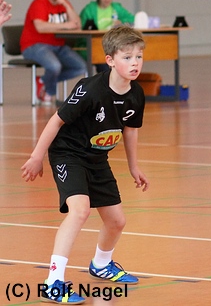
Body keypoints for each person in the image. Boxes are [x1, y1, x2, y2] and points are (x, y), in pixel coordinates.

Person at [20, 26, 150, 304]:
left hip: (97, 158)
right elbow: (56, 120)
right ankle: (53, 282)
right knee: (79, 211)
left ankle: (101, 264)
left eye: (139, 57)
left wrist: (134, 166)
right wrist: (36, 156)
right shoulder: (90, 89)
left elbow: (130, 130)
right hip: (68, 154)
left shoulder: (137, 93)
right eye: (127, 57)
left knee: (117, 221)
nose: (135, 63)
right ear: (110, 60)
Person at [21, 0, 87, 104]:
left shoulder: (63, 3)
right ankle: (49, 94)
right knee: (55, 66)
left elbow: (78, 25)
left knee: (81, 67)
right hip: (34, 45)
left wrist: (66, 5)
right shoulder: (39, 3)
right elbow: (40, 27)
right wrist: (66, 25)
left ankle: (43, 80)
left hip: (58, 46)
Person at [79, 0, 136, 73]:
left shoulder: (116, 8)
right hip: (92, 45)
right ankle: (106, 80)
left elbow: (132, 18)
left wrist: (122, 21)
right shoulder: (89, 10)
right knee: (105, 62)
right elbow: (80, 27)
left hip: (111, 45)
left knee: (123, 58)